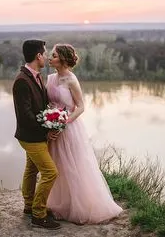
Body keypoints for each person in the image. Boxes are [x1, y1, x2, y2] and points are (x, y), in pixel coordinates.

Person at [46, 43, 123, 224]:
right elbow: (48, 104)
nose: (50, 58)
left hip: (70, 128)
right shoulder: (49, 78)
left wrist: (65, 122)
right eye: (50, 55)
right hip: (53, 129)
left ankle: (78, 206)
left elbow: (81, 107)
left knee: (73, 165)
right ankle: (59, 204)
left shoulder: (72, 80)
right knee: (57, 167)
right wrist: (49, 121)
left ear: (63, 59)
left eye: (54, 55)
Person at [12, 39, 61, 230]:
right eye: (45, 53)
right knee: (50, 172)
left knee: (31, 170)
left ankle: (28, 206)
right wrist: (47, 129)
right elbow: (26, 116)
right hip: (30, 136)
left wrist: (54, 116)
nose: (47, 56)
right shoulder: (22, 80)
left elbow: (40, 106)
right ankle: (38, 214)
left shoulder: (36, 76)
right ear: (38, 56)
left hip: (34, 135)